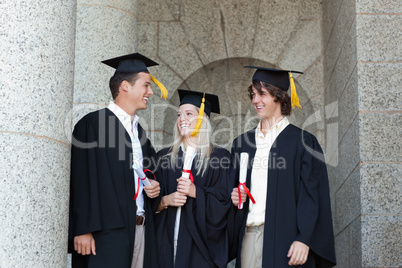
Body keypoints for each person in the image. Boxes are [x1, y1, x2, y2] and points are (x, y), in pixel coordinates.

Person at [228, 66, 336, 268]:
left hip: (287, 238)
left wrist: (304, 239)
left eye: (262, 94)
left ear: (279, 96)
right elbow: (230, 190)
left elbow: (312, 196)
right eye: (253, 94)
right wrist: (234, 196)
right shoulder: (242, 143)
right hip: (249, 236)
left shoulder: (303, 142)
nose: (255, 100)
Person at [68, 52, 168, 268]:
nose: (150, 92)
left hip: (140, 231)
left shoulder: (139, 133)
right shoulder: (94, 125)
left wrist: (152, 186)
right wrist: (83, 229)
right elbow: (82, 179)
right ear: (125, 86)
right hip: (106, 235)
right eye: (146, 85)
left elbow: (149, 174)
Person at [154, 89, 231, 268]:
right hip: (164, 244)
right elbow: (147, 202)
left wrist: (196, 192)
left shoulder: (220, 158)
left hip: (200, 249)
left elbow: (224, 203)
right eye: (179, 114)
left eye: (189, 114)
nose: (182, 119)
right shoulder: (163, 157)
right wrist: (165, 200)